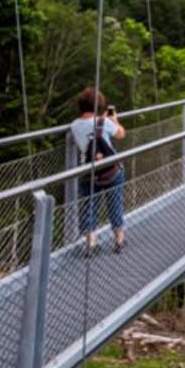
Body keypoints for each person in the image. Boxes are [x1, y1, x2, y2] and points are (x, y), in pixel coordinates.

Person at [73, 86, 126, 255]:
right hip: (111, 171)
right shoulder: (105, 123)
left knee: (89, 205)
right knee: (114, 204)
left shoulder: (74, 126)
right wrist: (113, 120)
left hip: (89, 173)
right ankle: (119, 239)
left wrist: (100, 120)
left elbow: (89, 127)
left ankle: (91, 243)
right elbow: (121, 134)